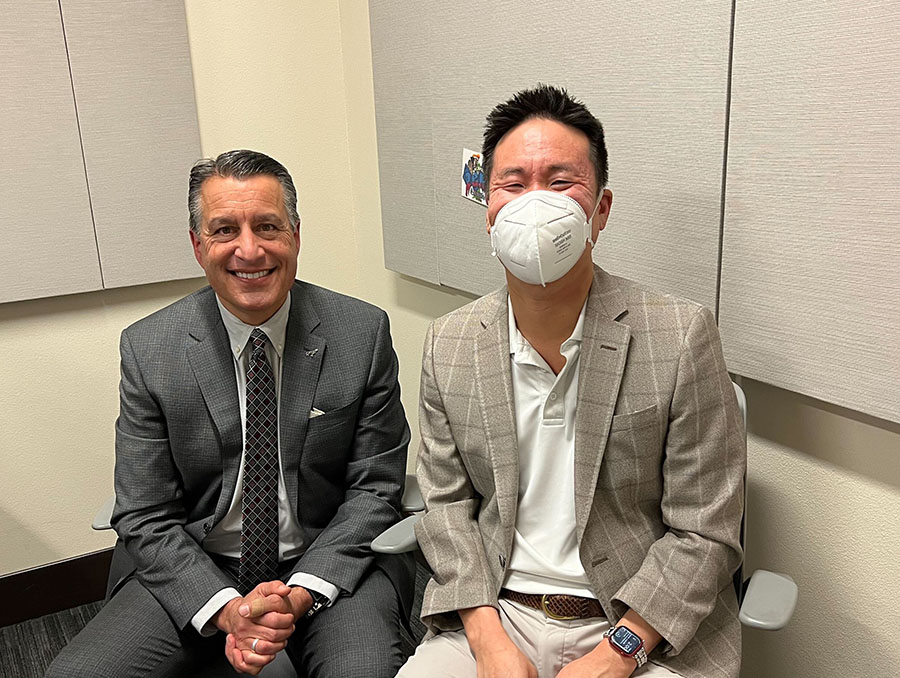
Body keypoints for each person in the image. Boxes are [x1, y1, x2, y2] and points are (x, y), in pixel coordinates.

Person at [398, 85, 746, 678]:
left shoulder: (680, 335)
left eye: (561, 183)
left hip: (641, 623)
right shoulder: (449, 343)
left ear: (601, 209)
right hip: (494, 612)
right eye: (513, 183)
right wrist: (488, 642)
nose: (535, 203)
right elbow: (446, 508)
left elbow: (705, 528)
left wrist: (619, 653)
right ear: (487, 208)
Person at [46, 149, 414, 677]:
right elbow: (144, 512)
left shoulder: (360, 332)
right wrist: (228, 609)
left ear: (295, 236)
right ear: (198, 246)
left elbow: (376, 488)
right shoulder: (151, 348)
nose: (249, 248)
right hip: (196, 563)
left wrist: (302, 593)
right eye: (224, 230)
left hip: (330, 558)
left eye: (268, 225)